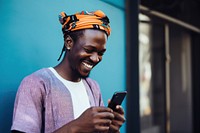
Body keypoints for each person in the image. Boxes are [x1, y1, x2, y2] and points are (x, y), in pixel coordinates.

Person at [11, 10, 125, 133]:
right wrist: (76, 127)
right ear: (68, 42)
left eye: (100, 53)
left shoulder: (93, 87)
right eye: (88, 49)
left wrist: (111, 130)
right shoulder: (36, 83)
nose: (95, 58)